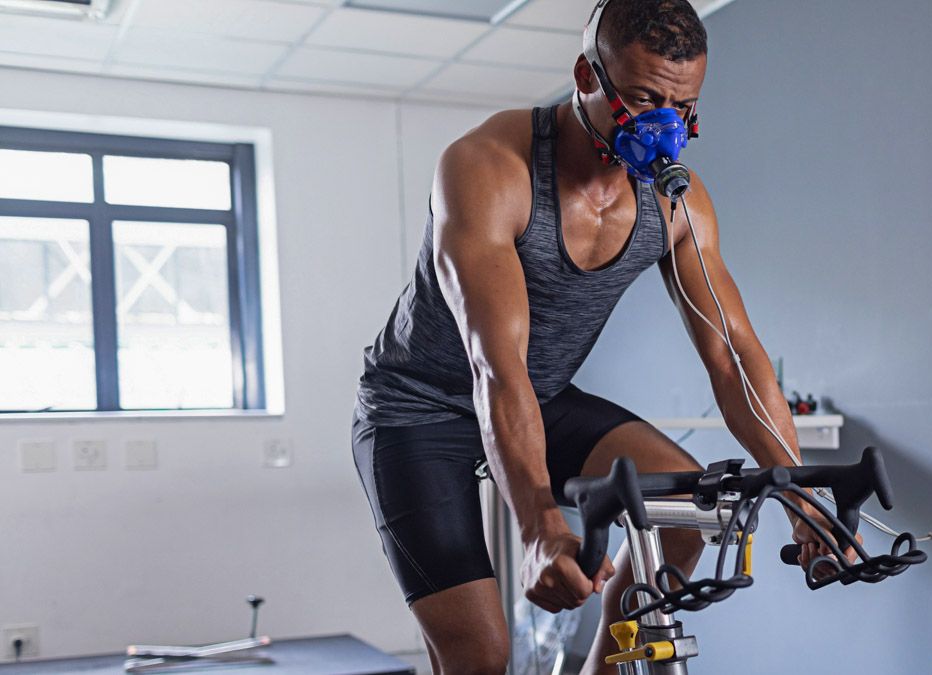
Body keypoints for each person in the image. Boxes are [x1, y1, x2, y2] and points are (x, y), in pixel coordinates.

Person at [352, 1, 859, 673]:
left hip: (542, 396)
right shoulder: (488, 168)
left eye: (683, 107)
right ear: (587, 76)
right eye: (645, 100)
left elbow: (732, 355)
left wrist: (801, 498)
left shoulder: (676, 204)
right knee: (480, 655)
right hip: (419, 409)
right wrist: (538, 524)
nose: (665, 127)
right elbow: (495, 365)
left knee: (683, 515)